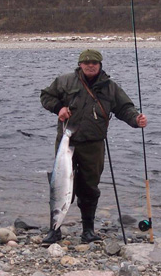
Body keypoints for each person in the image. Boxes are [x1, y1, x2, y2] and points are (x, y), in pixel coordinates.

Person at [40, 49, 147, 244]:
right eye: (87, 62)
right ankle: (54, 230)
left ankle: (88, 231)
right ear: (80, 64)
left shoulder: (110, 87)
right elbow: (46, 96)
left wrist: (136, 119)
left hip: (94, 144)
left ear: (100, 65)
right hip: (67, 141)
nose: (91, 65)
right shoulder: (65, 81)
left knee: (90, 187)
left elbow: (124, 108)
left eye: (94, 63)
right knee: (59, 186)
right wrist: (59, 108)